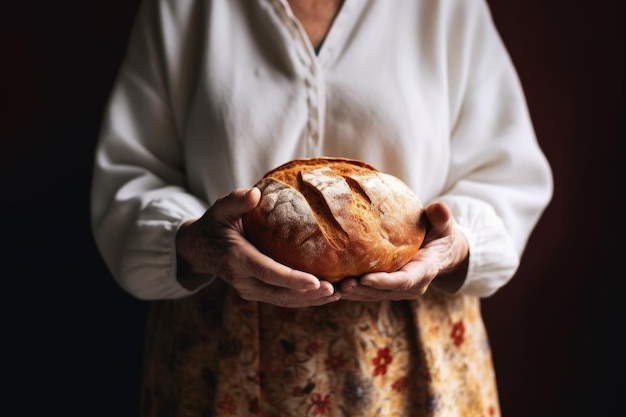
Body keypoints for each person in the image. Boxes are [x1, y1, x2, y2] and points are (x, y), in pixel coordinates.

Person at [90, 0, 553, 415]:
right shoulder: (183, 8)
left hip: (410, 356)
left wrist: (452, 244)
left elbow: (507, 174)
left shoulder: (446, 7)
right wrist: (198, 242)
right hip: (225, 348)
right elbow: (130, 175)